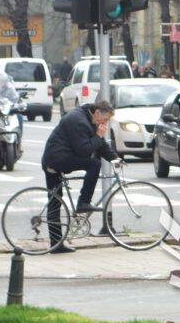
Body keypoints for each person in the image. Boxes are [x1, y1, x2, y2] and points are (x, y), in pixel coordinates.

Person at [39, 99, 120, 253]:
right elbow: (84, 150)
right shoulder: (78, 121)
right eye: (106, 119)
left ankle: (56, 245)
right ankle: (83, 202)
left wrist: (116, 158)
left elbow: (99, 144)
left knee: (55, 201)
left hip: (55, 157)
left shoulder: (87, 117)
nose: (106, 123)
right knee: (94, 164)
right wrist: (98, 135)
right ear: (97, 113)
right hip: (57, 159)